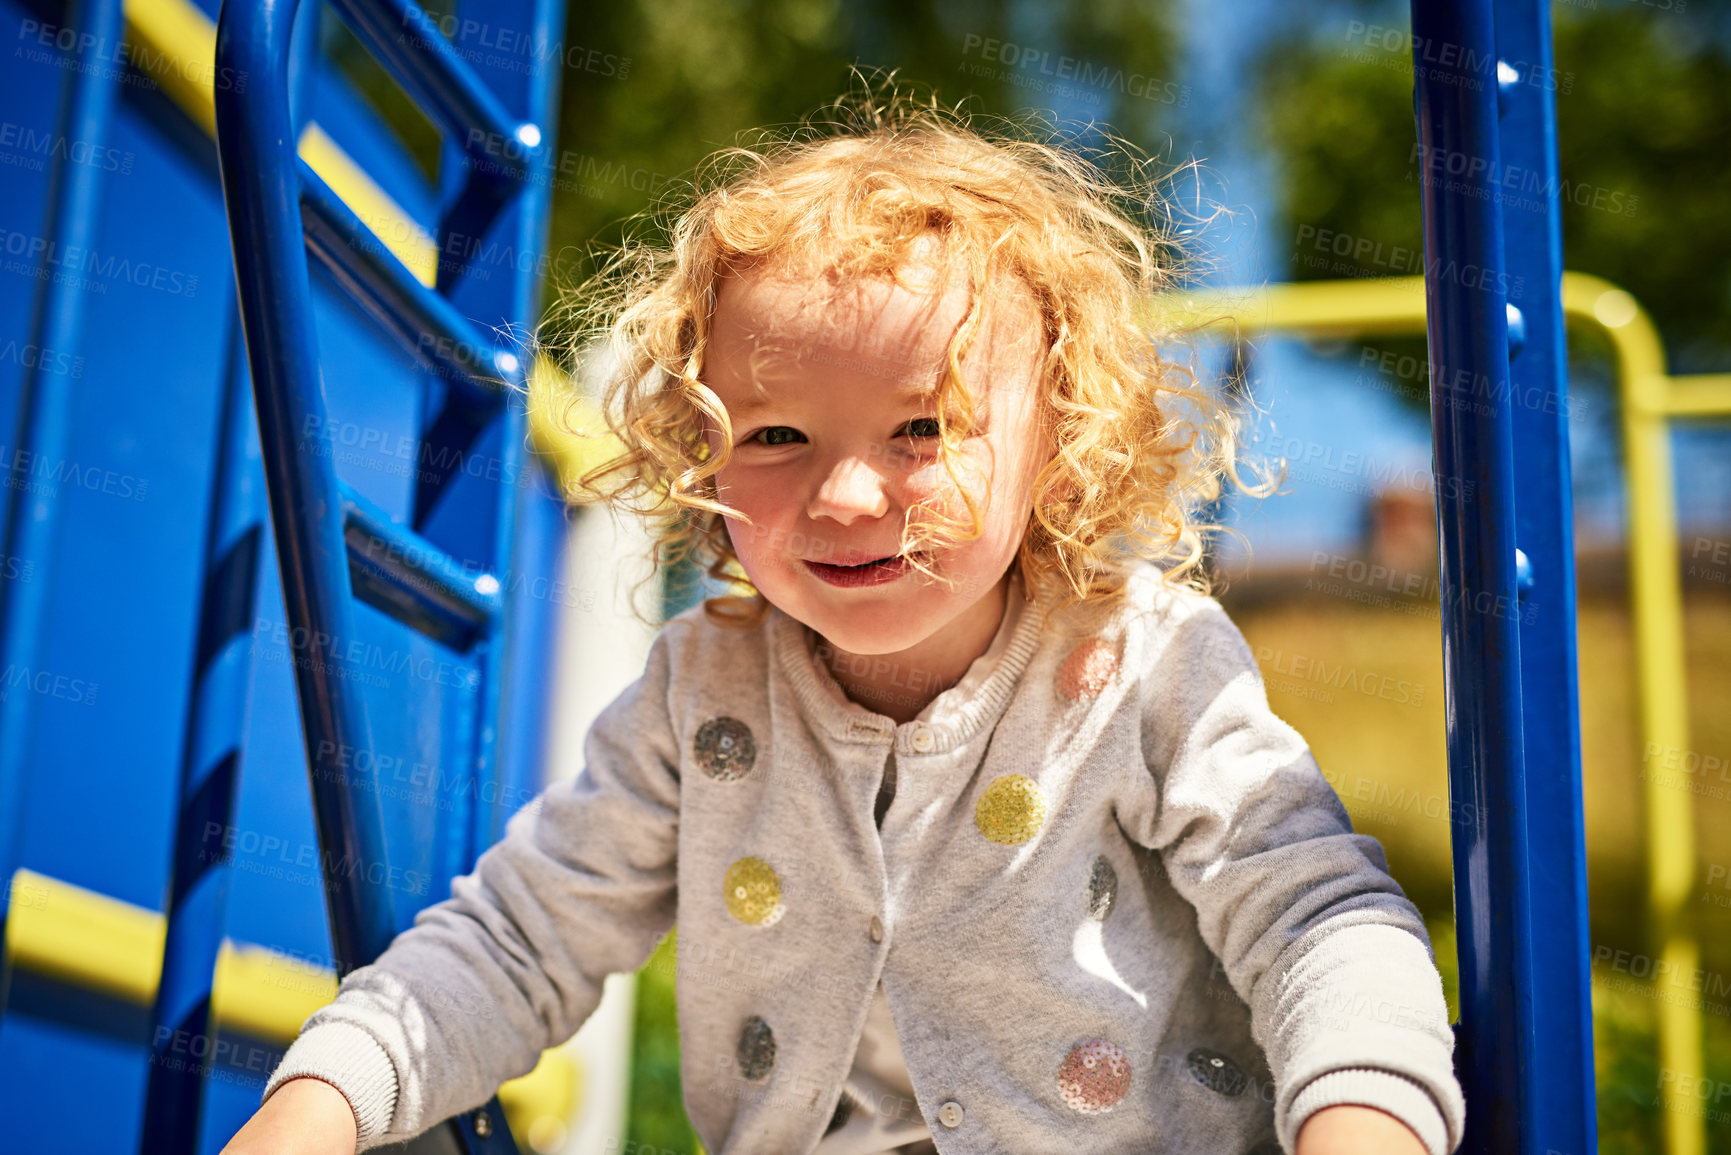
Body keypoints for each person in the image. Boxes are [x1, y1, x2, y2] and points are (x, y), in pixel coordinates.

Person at [222, 89, 1465, 1155]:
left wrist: (1363, 1118)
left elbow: (1311, 915)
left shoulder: (1141, 663)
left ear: (1061, 447)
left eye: (923, 427)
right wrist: (325, 1097)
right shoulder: (703, 694)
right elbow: (521, 936)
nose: (848, 495)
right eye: (774, 435)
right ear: (703, 452)